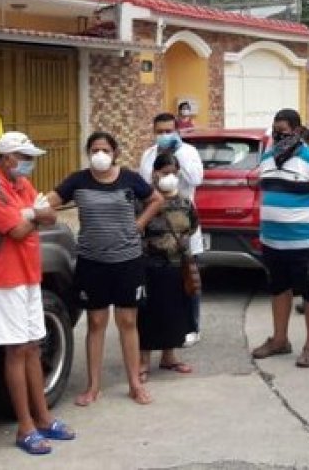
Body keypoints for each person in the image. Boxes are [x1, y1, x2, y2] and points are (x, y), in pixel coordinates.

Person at [0, 132, 75, 456]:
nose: (29, 163)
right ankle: (25, 426)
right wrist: (34, 215)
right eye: (24, 157)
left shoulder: (19, 184)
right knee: (17, 350)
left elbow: (49, 215)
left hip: (28, 275)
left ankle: (43, 417)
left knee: (31, 346)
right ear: (6, 157)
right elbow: (15, 229)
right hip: (4, 279)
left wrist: (33, 215)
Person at [46, 132, 164, 406]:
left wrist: (140, 223)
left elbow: (156, 199)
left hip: (128, 260)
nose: (100, 154)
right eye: (95, 149)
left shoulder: (130, 179)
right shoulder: (78, 180)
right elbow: (50, 201)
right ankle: (93, 386)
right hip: (92, 261)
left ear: (114, 153)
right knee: (96, 323)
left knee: (127, 322)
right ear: (88, 153)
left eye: (105, 149)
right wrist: (32, 208)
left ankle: (135, 383)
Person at [250, 108, 309, 369]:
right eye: (275, 130)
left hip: (306, 242)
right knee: (278, 289)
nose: (279, 135)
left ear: (298, 131)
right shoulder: (267, 158)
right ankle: (280, 340)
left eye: (284, 131)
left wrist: (304, 216)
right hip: (272, 241)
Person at [138, 112, 206, 346]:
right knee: (161, 287)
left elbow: (196, 178)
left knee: (189, 279)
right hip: (156, 229)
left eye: (169, 131)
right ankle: (162, 333)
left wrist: (176, 154)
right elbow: (144, 187)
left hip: (182, 226)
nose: (164, 135)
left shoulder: (188, 152)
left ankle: (192, 327)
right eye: (160, 132)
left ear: (177, 131)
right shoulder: (148, 155)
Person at [137, 151, 199, 381]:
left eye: (174, 173)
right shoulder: (143, 201)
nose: (170, 177)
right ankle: (143, 362)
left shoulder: (184, 202)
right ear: (155, 174)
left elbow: (192, 226)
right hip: (150, 264)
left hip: (177, 264)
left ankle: (169, 356)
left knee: (175, 312)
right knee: (148, 313)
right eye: (165, 173)